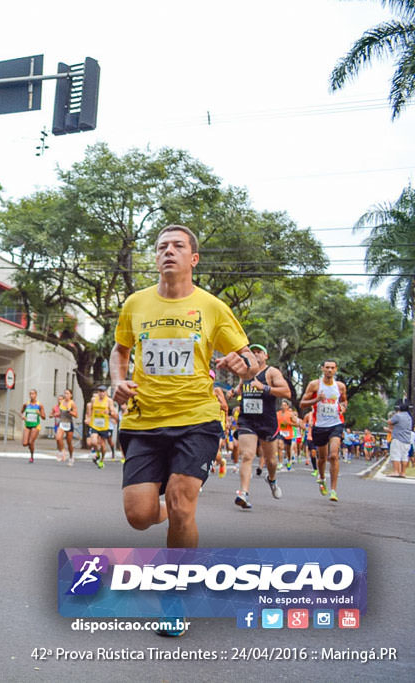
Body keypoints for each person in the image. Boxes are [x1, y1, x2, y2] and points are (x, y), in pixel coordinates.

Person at [110, 225, 257, 637]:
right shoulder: (135, 303)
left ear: (194, 259)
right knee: (139, 516)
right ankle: (174, 515)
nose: (168, 252)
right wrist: (116, 380)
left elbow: (249, 358)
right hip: (144, 420)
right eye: (161, 247)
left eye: (177, 246)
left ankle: (174, 596)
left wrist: (242, 365)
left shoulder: (211, 307)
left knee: (181, 501)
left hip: (197, 416)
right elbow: (119, 351)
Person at [230, 343, 292, 509]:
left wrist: (264, 387)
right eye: (253, 352)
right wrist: (232, 393)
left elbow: (286, 392)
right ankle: (243, 493)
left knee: (271, 461)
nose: (256, 355)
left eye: (259, 352)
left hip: (267, 421)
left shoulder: (271, 372)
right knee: (247, 455)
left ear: (266, 356)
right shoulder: (246, 372)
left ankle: (271, 479)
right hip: (247, 420)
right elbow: (240, 387)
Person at [299, 360, 348, 502]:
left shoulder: (340, 386)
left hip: (336, 424)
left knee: (333, 455)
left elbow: (344, 401)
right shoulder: (315, 385)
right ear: (322, 369)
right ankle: (321, 477)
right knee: (322, 458)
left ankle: (334, 490)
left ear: (336, 370)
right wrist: (316, 400)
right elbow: (302, 404)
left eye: (332, 368)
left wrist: (343, 407)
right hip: (319, 426)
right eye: (327, 368)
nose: (329, 370)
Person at [85, 386, 118, 468]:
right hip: (95, 424)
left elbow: (113, 413)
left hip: (104, 426)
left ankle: (102, 460)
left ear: (106, 392)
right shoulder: (93, 399)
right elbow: (90, 410)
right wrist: (88, 418)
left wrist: (109, 412)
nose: (101, 393)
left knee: (103, 446)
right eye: (100, 391)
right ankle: (97, 453)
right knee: (93, 442)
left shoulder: (109, 401)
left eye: (103, 391)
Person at [386, 400, 412, 477]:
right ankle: (403, 473)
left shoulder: (398, 415)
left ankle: (396, 471)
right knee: (404, 456)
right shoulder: (409, 417)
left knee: (396, 455)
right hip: (407, 439)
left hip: (398, 438)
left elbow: (390, 422)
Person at [54, 389, 78, 466]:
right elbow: (60, 413)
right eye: (65, 393)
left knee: (69, 442)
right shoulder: (62, 402)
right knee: (58, 437)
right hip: (62, 423)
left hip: (69, 423)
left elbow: (76, 415)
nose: (66, 395)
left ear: (71, 395)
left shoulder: (72, 403)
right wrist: (54, 414)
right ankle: (62, 451)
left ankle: (71, 457)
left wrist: (70, 411)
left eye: (68, 393)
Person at [21, 389, 46, 463]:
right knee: (25, 443)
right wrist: (22, 416)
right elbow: (21, 412)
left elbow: (44, 417)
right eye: (30, 394)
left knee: (31, 442)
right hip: (27, 425)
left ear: (36, 395)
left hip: (36, 426)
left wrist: (39, 413)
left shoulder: (39, 405)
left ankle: (31, 456)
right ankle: (30, 446)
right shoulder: (26, 404)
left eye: (33, 394)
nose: (32, 395)